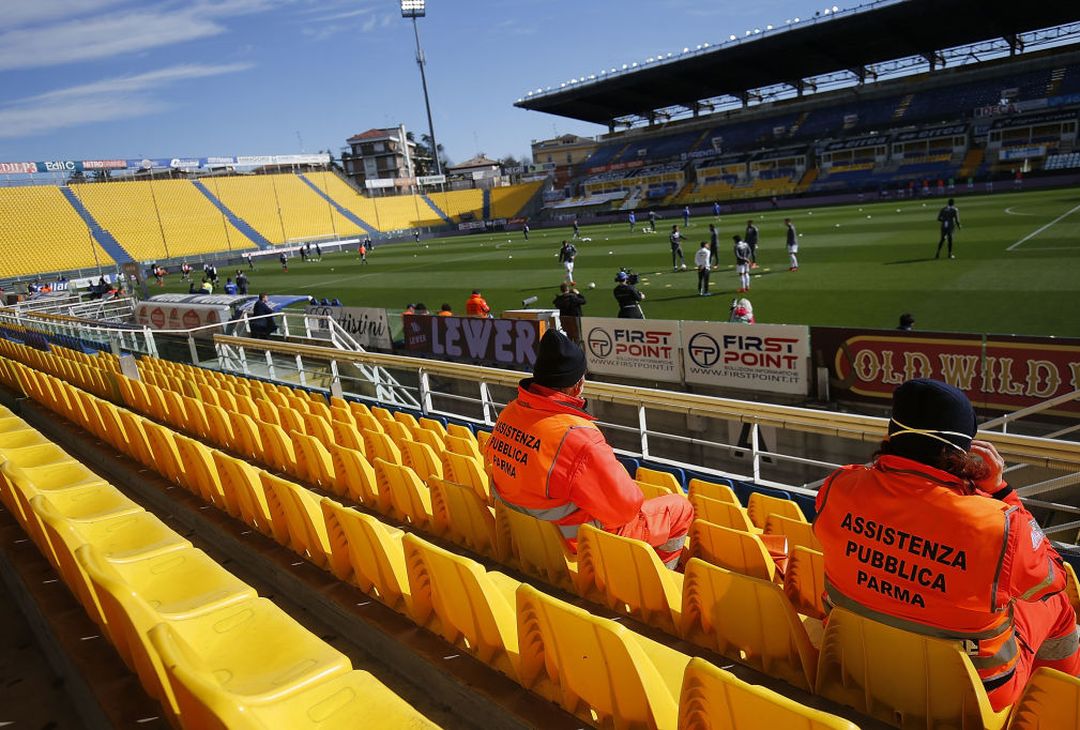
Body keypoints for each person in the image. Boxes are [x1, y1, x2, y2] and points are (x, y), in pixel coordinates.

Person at [813, 379, 1079, 711]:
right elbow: (1053, 577)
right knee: (1058, 604)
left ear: (891, 435)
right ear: (964, 453)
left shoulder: (838, 486)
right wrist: (1000, 490)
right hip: (969, 696)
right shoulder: (1001, 522)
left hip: (854, 664)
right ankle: (1062, 709)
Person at [484, 329, 694, 567]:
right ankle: (664, 579)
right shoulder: (578, 437)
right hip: (575, 543)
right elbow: (625, 510)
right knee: (680, 508)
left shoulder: (510, 411)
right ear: (578, 385)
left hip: (527, 535)